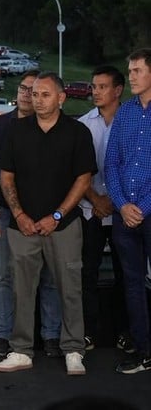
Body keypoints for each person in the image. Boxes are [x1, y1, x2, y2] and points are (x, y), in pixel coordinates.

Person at [0, 72, 95, 376]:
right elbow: (6, 176)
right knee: (22, 289)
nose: (37, 100)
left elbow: (84, 178)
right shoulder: (16, 131)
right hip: (22, 226)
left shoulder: (77, 132)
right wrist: (21, 215)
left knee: (69, 288)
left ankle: (73, 349)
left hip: (64, 226)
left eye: (45, 94)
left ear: (61, 98)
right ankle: (21, 350)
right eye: (34, 94)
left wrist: (57, 216)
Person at [0, 70, 63, 358]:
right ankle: (2, 335)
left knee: (48, 277)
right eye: (23, 88)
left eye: (35, 90)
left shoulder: (51, 127)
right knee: (5, 276)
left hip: (45, 216)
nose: (27, 94)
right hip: (5, 213)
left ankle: (51, 336)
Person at [77, 65, 131, 353]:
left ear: (118, 90)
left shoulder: (133, 120)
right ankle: (88, 332)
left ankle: (127, 332)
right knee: (87, 273)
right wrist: (97, 200)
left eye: (102, 86)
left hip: (125, 212)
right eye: (93, 86)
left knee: (127, 274)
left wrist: (115, 200)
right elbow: (77, 170)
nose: (95, 92)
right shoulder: (84, 124)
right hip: (91, 210)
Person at [106, 48, 151, 374]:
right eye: (130, 70)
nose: (130, 76)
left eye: (136, 71)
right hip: (125, 216)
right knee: (132, 284)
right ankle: (143, 348)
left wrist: (142, 208)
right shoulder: (125, 114)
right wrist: (122, 205)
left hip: (148, 213)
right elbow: (110, 164)